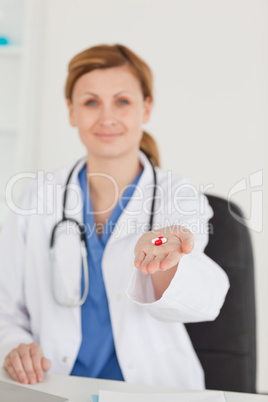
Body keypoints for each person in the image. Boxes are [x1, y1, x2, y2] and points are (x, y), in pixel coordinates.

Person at [0, 44, 229, 389]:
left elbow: (202, 300)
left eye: (122, 101)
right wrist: (13, 346)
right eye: (91, 102)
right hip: (54, 383)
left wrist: (167, 262)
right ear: (71, 112)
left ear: (146, 108)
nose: (106, 117)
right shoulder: (39, 194)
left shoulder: (177, 194)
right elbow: (5, 306)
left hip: (152, 388)